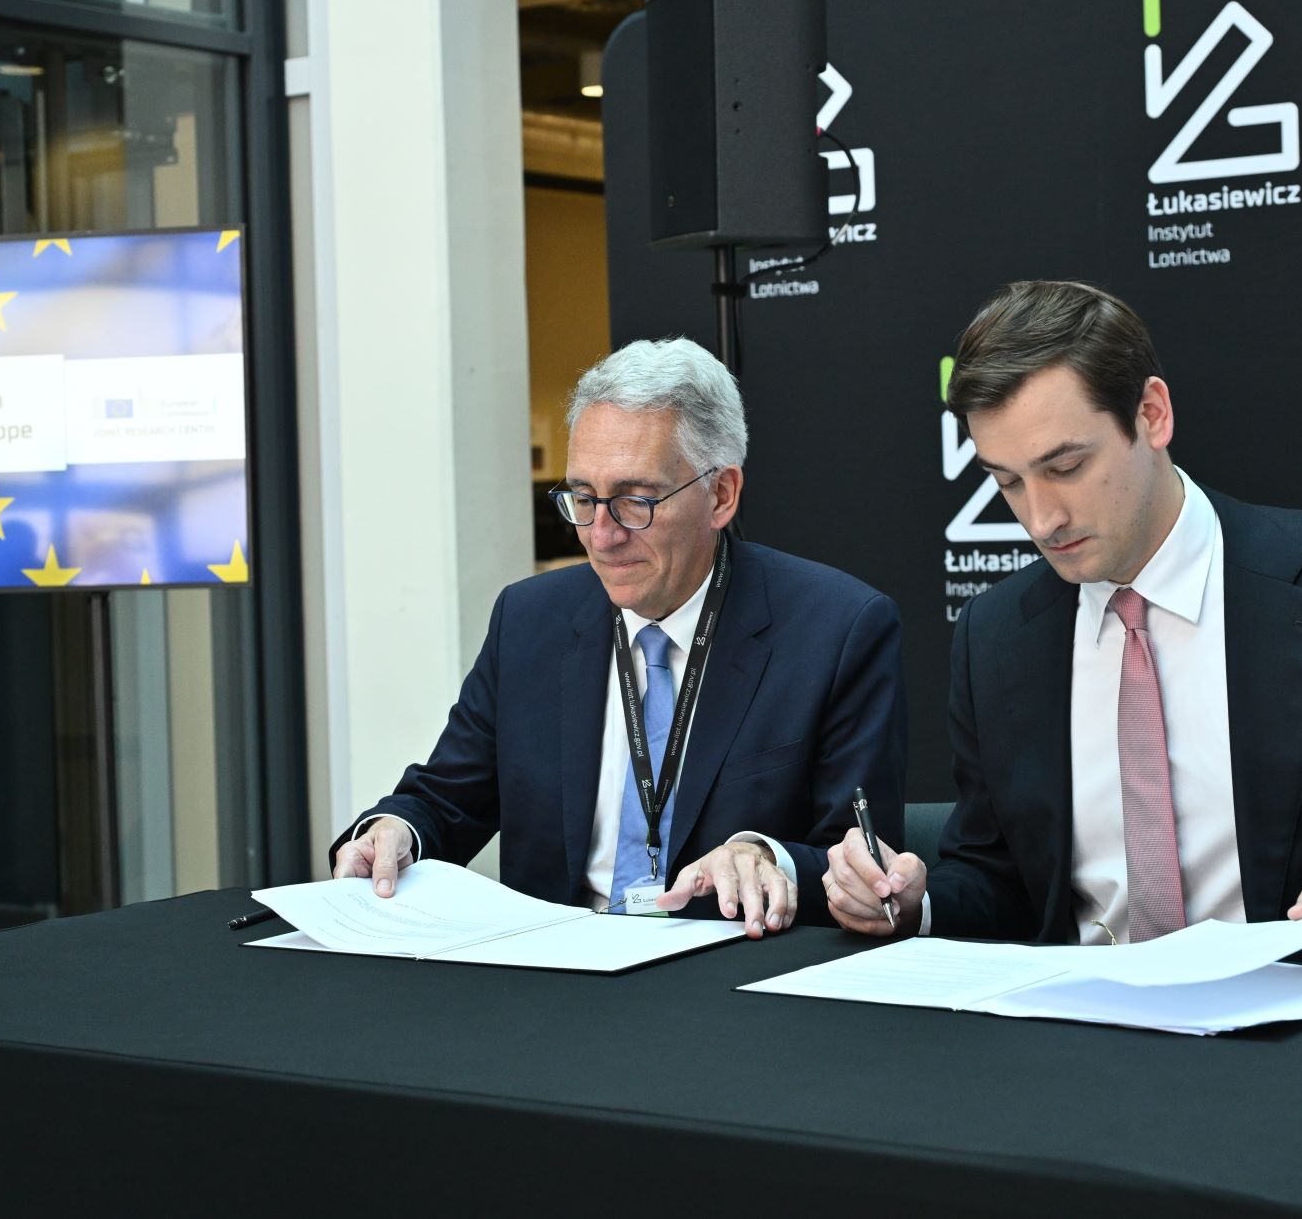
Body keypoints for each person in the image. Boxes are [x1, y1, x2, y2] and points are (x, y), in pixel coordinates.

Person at [826, 280, 1302, 968]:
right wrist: (917, 903)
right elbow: (1002, 882)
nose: (1041, 517)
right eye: (1007, 482)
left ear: (1152, 414)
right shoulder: (996, 636)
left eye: (1066, 467)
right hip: (1087, 1036)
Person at [333, 337, 906, 936]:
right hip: (551, 968)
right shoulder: (530, 619)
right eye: (583, 498)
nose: (602, 535)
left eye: (635, 501)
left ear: (721, 495)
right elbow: (448, 798)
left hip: (728, 969)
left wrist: (770, 858)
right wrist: (395, 831)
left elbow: (865, 866)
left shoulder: (837, 630)